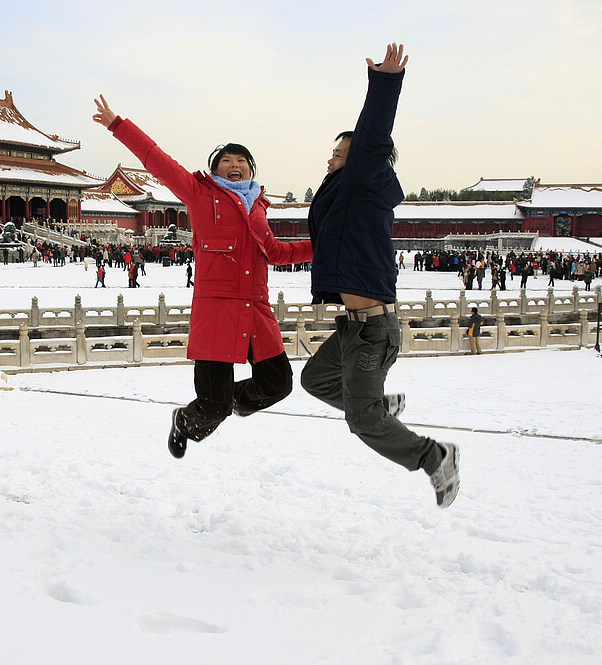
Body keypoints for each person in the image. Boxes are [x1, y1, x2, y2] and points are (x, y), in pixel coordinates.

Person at [93, 93, 313, 458]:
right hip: (217, 313)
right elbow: (158, 162)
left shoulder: (257, 207)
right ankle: (187, 421)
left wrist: (319, 246)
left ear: (251, 169)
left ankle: (231, 403)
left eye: (241, 161)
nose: (234, 165)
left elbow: (276, 252)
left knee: (278, 384)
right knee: (211, 405)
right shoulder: (199, 194)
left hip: (255, 310)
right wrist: (118, 125)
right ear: (215, 169)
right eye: (226, 161)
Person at [299, 43, 460, 509]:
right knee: (315, 381)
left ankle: (435, 457)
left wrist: (384, 83)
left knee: (361, 421)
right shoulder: (346, 196)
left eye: (338, 153)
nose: (329, 159)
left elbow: (372, 137)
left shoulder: (363, 182)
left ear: (362, 159)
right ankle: (381, 409)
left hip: (373, 329)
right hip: (354, 327)